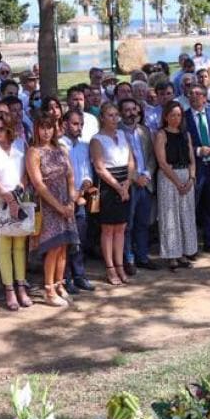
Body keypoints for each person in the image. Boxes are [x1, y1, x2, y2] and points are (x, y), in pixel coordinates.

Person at [0, 111, 34, 310]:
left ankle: (21, 286)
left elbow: (27, 172)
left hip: (21, 198)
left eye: (0, 128)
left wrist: (18, 190)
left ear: (9, 128)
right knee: (4, 243)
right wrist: (7, 196)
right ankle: (9, 289)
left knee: (20, 244)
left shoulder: (21, 144)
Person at [25, 111, 77, 306]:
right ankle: (48, 289)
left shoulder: (61, 149)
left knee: (64, 246)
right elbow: (38, 184)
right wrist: (58, 207)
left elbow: (70, 176)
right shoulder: (34, 152)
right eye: (42, 127)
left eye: (50, 127)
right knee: (53, 246)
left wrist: (71, 201)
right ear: (37, 129)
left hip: (65, 200)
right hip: (47, 204)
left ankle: (59, 283)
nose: (46, 131)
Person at [90, 102, 134, 284]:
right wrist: (118, 187)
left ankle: (120, 265)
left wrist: (128, 183)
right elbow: (100, 168)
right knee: (108, 229)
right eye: (110, 115)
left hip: (125, 183)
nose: (115, 118)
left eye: (116, 115)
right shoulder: (97, 140)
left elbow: (131, 161)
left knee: (121, 228)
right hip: (108, 186)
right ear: (102, 117)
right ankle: (110, 267)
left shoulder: (123, 134)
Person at [154, 100, 198, 269]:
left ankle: (185, 253)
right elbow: (162, 162)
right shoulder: (161, 134)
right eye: (172, 115)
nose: (176, 118)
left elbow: (192, 160)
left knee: (186, 216)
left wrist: (191, 179)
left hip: (186, 176)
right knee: (169, 217)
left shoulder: (185, 134)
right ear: (166, 116)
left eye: (179, 115)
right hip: (168, 178)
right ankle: (172, 256)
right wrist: (178, 182)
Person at [119, 98, 159, 272]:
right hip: (129, 185)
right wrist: (135, 177)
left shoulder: (145, 130)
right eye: (127, 110)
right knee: (128, 225)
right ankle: (129, 259)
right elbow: (118, 162)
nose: (131, 113)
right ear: (121, 113)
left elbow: (151, 156)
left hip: (146, 183)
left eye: (133, 109)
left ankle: (142, 256)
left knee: (143, 223)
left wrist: (147, 174)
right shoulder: (117, 133)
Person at [59, 109, 96, 293]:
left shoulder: (83, 145)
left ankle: (79, 275)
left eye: (81, 124)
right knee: (66, 240)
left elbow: (87, 171)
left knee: (80, 238)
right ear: (65, 124)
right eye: (74, 124)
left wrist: (84, 187)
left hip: (80, 198)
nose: (78, 127)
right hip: (64, 199)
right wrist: (72, 194)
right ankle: (65, 278)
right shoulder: (59, 145)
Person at [185, 84, 210, 255]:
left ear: (204, 97)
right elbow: (180, 144)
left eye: (197, 94)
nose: (193, 97)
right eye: (190, 94)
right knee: (191, 208)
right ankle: (190, 246)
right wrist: (198, 151)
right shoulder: (183, 118)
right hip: (194, 168)